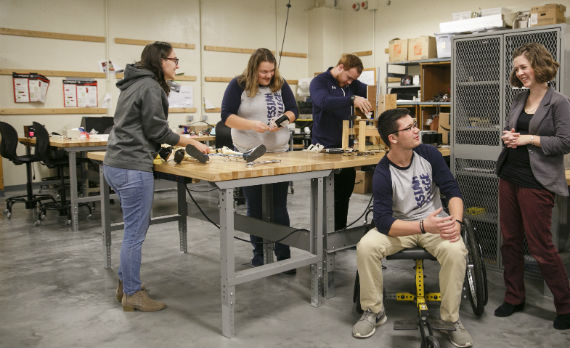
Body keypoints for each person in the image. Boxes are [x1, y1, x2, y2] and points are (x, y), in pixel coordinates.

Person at [104, 41, 210, 311]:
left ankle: (125, 283)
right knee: (135, 234)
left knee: (134, 228)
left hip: (117, 164)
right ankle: (131, 294)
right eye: (174, 60)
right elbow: (157, 132)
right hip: (132, 167)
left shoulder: (133, 83)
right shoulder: (151, 86)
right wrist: (190, 142)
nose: (177, 65)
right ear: (161, 60)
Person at [353, 108, 472, 348]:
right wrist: (420, 225)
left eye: (415, 124)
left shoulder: (429, 155)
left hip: (434, 224)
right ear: (393, 139)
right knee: (366, 246)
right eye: (409, 128)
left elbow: (452, 191)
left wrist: (456, 222)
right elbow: (384, 222)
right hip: (401, 227)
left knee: (456, 250)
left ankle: (451, 320)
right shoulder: (383, 172)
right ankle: (373, 311)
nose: (417, 130)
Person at [494, 42, 570, 330]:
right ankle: (514, 296)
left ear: (539, 66)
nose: (519, 73)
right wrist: (509, 137)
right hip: (510, 176)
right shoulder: (520, 100)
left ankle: (566, 304)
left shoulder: (559, 102)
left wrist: (529, 139)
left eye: (524, 67)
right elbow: (513, 130)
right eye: (516, 69)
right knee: (510, 241)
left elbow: (567, 142)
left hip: (537, 182)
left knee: (541, 246)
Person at [220, 48, 298, 271]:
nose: (268, 76)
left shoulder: (280, 84)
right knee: (255, 208)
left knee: (279, 207)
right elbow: (226, 116)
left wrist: (282, 120)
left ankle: (284, 257)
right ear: (253, 68)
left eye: (271, 71)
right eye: (263, 72)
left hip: (278, 154)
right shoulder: (238, 85)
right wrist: (253, 125)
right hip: (250, 155)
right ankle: (260, 256)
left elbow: (294, 110)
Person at [309, 54, 372, 230]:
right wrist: (352, 99)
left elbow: (370, 92)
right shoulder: (319, 82)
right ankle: (323, 237)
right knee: (325, 196)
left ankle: (339, 234)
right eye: (349, 78)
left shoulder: (351, 84)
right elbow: (323, 101)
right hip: (323, 149)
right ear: (340, 67)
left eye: (355, 80)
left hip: (346, 149)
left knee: (344, 193)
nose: (351, 83)